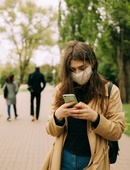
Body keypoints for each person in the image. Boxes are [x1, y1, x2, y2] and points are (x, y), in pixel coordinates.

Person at [41, 40, 125, 170]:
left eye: (82, 68)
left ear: (93, 63)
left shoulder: (110, 91)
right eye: (72, 69)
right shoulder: (61, 90)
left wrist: (95, 118)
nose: (77, 73)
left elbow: (117, 132)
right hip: (64, 158)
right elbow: (50, 130)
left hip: (94, 161)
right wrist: (57, 117)